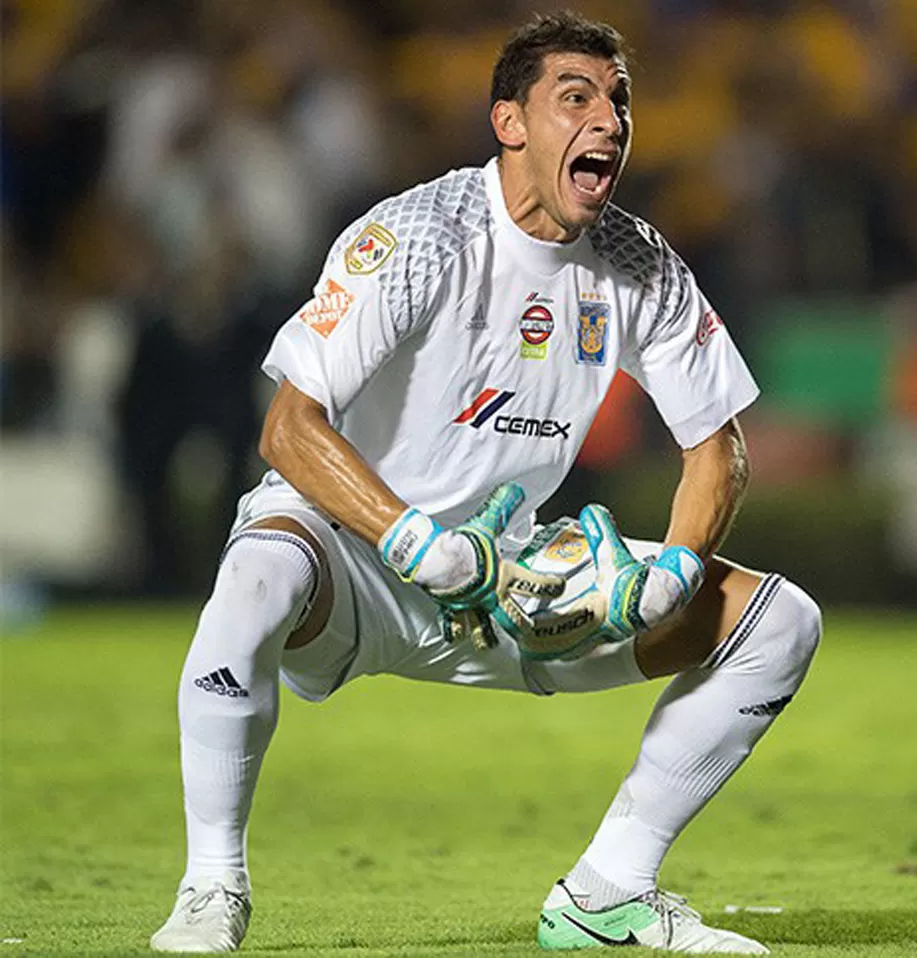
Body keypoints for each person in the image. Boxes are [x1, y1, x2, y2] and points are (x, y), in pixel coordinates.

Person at [149, 12, 821, 954]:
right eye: (576, 98)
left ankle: (608, 893)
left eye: (619, 103)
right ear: (509, 121)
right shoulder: (420, 233)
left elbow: (720, 448)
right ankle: (211, 888)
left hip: (511, 584)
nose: (609, 124)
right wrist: (413, 541)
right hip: (356, 560)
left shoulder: (640, 263)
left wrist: (673, 568)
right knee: (259, 570)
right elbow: (287, 430)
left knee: (780, 623)